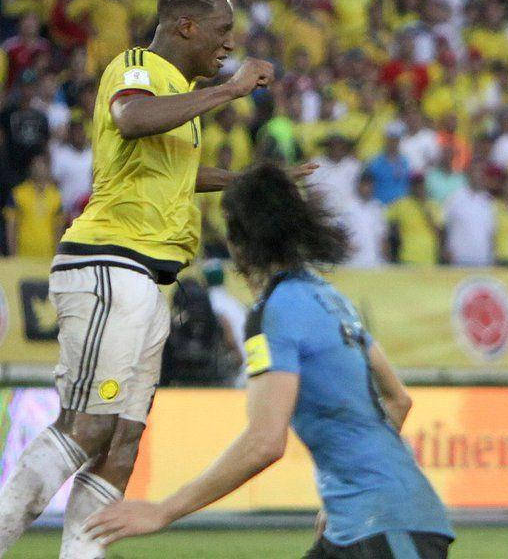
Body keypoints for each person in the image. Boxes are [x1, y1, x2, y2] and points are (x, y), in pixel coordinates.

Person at [0, 0, 312, 558]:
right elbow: (131, 118)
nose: (227, 47)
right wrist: (231, 90)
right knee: (87, 424)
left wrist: (254, 179)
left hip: (146, 277)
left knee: (122, 441)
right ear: (185, 25)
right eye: (221, 32)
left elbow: (177, 173)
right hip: (108, 262)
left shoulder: (178, 98)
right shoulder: (138, 64)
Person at [85, 163, 454, 557]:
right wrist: (342, 500)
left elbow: (265, 442)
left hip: (384, 531)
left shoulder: (274, 313)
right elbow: (399, 399)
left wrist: (163, 510)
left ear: (241, 239)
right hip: (377, 521)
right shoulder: (329, 298)